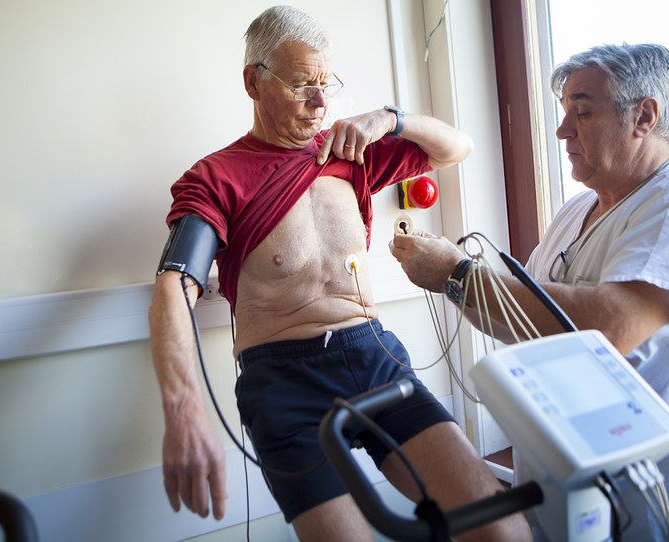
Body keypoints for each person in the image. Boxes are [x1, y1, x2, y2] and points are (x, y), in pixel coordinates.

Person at [148, 5, 531, 542]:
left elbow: (456, 147)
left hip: (372, 356)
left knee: (502, 530)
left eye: (327, 84)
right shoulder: (216, 177)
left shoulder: (350, 154)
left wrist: (389, 119)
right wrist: (183, 409)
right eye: (303, 84)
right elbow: (174, 285)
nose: (321, 102)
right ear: (253, 83)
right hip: (281, 381)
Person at [390, 43, 669, 541]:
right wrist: (455, 272)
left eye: (582, 112)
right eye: (564, 112)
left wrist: (457, 275)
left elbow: (611, 328)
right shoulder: (576, 211)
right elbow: (516, 318)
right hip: (572, 492)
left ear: (644, 116)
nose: (562, 130)